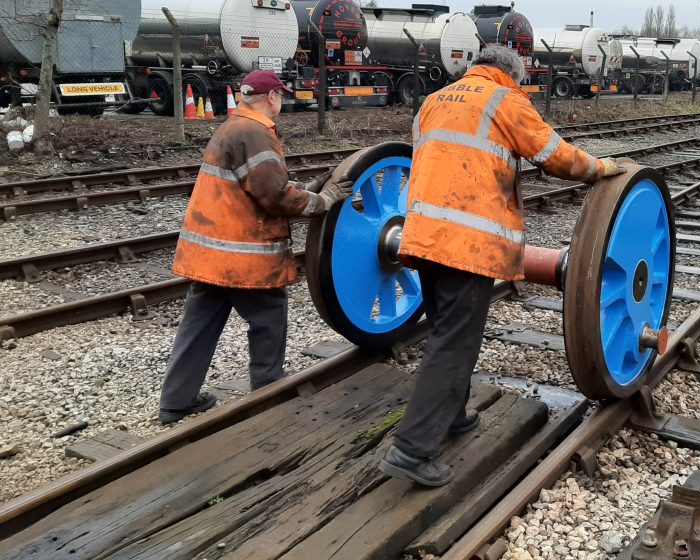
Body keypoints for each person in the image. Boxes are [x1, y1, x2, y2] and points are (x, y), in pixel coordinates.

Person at [379, 45, 624, 486]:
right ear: (511, 72)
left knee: (445, 331)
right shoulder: (504, 100)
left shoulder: (435, 100)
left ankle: (452, 416)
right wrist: (603, 168)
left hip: (424, 236)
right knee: (455, 342)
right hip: (467, 245)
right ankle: (412, 449)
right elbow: (556, 157)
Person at [157, 70, 352, 424]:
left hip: (210, 252)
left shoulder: (233, 126)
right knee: (268, 318)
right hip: (241, 253)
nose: (282, 102)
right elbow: (274, 197)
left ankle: (176, 401)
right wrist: (323, 200)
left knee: (198, 325)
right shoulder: (256, 132)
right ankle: (269, 390)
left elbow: (253, 185)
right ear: (271, 97)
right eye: (281, 96)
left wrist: (305, 187)